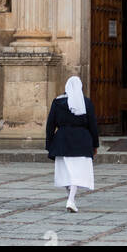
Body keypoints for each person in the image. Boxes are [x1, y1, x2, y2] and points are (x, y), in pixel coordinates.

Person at [45, 76, 99, 213]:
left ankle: (70, 197)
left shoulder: (57, 103)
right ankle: (71, 199)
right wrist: (95, 144)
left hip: (62, 141)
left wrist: (49, 143)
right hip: (81, 141)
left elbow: (50, 124)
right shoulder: (86, 102)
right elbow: (93, 125)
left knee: (67, 173)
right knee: (77, 173)